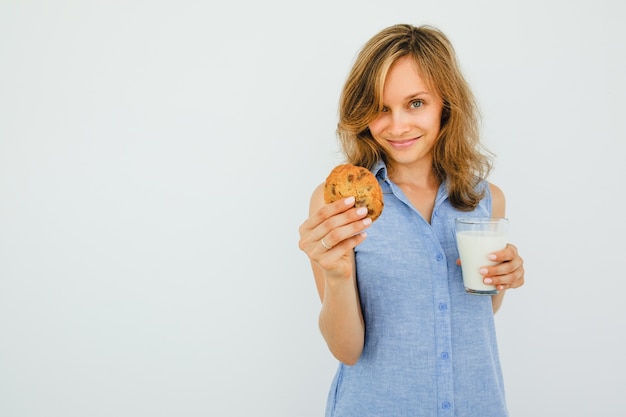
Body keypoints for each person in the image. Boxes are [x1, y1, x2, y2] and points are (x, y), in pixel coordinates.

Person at [298, 23, 525, 417]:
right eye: (381, 108)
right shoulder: (341, 205)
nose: (398, 125)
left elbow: (478, 314)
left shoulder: (486, 200)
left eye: (416, 103)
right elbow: (346, 350)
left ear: (446, 104)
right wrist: (336, 274)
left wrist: (503, 277)